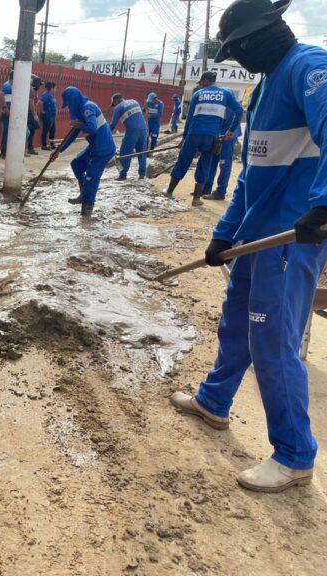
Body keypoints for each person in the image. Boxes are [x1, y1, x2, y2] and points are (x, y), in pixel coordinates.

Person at [170, 0, 327, 493]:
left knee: (273, 343)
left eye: (238, 48)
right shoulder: (261, 94)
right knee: (236, 321)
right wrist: (225, 233)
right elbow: (251, 176)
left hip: (291, 237)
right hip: (255, 237)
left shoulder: (310, 67)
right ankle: (214, 401)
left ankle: (294, 454)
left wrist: (325, 205)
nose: (236, 59)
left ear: (261, 35)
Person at [163, 71, 243, 207]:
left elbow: (189, 118)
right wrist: (231, 130)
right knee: (205, 162)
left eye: (201, 82)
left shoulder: (198, 94)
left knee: (183, 160)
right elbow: (240, 111)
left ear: (206, 80)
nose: (200, 85)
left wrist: (184, 137)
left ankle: (169, 191)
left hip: (194, 133)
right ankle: (196, 199)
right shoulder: (226, 94)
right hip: (212, 135)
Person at [51, 86, 116, 217]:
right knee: (76, 164)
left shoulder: (88, 108)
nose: (69, 108)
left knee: (91, 177)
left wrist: (79, 125)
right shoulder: (80, 111)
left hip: (103, 149)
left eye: (69, 104)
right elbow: (72, 136)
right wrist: (59, 151)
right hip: (94, 147)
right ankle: (83, 193)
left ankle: (86, 213)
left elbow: (92, 128)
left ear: (74, 100)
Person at [202, 114, 242, 201]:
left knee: (224, 163)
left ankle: (221, 191)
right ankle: (206, 188)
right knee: (213, 160)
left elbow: (235, 115)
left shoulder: (228, 102)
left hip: (229, 134)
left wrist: (228, 132)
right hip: (218, 133)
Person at [110, 93, 148, 181]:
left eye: (114, 104)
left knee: (125, 153)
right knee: (142, 152)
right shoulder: (134, 101)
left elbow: (113, 125)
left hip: (132, 131)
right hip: (144, 129)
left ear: (116, 101)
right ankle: (142, 174)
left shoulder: (118, 107)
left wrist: (103, 132)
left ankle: (123, 175)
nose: (114, 106)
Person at [40, 81, 58, 151]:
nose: (55, 90)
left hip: (52, 116)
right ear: (52, 88)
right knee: (46, 130)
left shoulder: (51, 95)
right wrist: (42, 111)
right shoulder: (46, 95)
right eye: (55, 88)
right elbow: (40, 102)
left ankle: (51, 145)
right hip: (47, 116)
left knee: (53, 130)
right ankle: (44, 145)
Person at [27, 75, 42, 155]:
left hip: (31, 113)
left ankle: (30, 147)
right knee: (31, 130)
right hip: (30, 114)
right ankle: (29, 147)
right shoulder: (32, 91)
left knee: (32, 131)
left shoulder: (33, 91)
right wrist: (34, 114)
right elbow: (31, 103)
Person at [0, 71, 13, 157]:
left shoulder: (11, 85)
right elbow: (0, 95)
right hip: (7, 112)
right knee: (6, 132)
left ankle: (6, 151)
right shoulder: (7, 85)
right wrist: (5, 108)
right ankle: (4, 151)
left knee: (8, 132)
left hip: (10, 111)